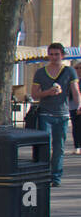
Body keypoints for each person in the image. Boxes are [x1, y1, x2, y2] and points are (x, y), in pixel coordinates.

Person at [31, 43, 76, 186]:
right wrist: (48, 92)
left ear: (62, 55)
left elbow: (75, 91)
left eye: (57, 54)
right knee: (45, 146)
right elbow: (34, 94)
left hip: (62, 115)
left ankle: (56, 177)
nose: (54, 57)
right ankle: (44, 175)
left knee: (59, 148)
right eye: (51, 54)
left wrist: (79, 105)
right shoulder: (40, 72)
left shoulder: (69, 71)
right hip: (46, 114)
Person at [71, 61, 81, 155]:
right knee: (76, 127)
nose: (78, 70)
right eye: (76, 68)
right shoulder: (73, 80)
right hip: (73, 107)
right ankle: (77, 146)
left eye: (80, 68)